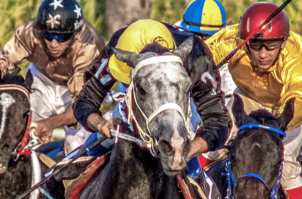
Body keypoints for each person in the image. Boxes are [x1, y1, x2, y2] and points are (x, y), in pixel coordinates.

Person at [204, 2, 302, 199]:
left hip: (290, 104)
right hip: (247, 96)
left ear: (284, 41)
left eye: (271, 46)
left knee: (285, 164)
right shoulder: (229, 40)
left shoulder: (296, 53)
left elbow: (298, 99)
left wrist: (278, 127)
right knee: (214, 149)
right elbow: (194, 58)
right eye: (255, 45)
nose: (263, 54)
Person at [73, 18, 231, 172]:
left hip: (184, 109)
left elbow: (218, 121)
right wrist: (100, 124)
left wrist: (187, 150)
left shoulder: (197, 57)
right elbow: (85, 100)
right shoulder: (122, 44)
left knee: (202, 187)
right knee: (71, 168)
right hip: (134, 108)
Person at [0, 0, 103, 154]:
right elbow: (1, 62)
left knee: (77, 147)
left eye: (62, 37)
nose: (54, 43)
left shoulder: (89, 46)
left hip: (77, 91)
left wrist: (50, 123)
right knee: (23, 139)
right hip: (41, 79)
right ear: (40, 31)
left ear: (76, 34)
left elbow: (82, 105)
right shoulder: (30, 32)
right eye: (48, 35)